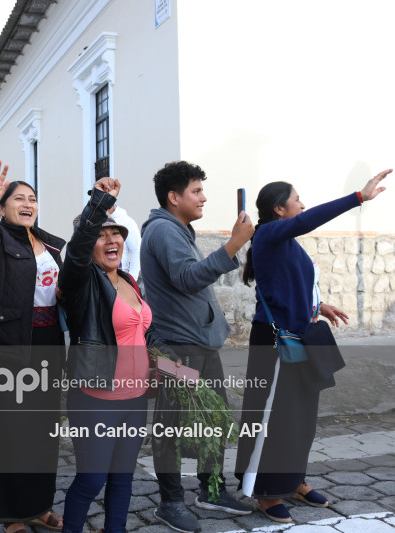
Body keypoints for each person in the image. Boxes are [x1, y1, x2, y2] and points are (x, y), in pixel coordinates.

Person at [235, 171, 391, 523]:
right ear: (279, 209)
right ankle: (266, 490)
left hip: (299, 336)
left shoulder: (285, 243)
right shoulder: (270, 234)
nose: (301, 205)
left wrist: (319, 307)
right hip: (275, 341)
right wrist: (358, 197)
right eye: (296, 200)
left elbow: (286, 286)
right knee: (275, 418)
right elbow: (307, 220)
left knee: (300, 418)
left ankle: (293, 480)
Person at [140, 161, 255, 533]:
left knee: (212, 420)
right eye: (196, 191)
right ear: (174, 197)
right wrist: (234, 244)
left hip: (199, 345)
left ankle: (211, 490)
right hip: (177, 349)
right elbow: (188, 279)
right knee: (172, 427)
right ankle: (170, 502)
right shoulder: (162, 230)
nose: (203, 197)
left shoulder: (179, 229)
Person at [0, 163, 66, 532]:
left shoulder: (50, 242)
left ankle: (37, 506)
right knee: (8, 432)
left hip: (48, 345)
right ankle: (7, 513)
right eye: (18, 198)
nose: (27, 203)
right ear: (4, 208)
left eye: (32, 199)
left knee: (42, 432)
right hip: (9, 348)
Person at [59, 177, 152, 533]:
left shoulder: (128, 280)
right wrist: (98, 204)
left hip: (135, 398)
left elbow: (142, 337)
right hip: (97, 397)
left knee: (123, 479)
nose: (112, 240)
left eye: (117, 233)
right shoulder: (82, 282)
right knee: (92, 479)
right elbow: (79, 247)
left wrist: (181, 373)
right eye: (102, 234)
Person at [107, 203, 141, 280]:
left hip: (120, 277)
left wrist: (131, 280)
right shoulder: (90, 219)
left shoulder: (126, 221)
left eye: (116, 233)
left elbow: (137, 250)